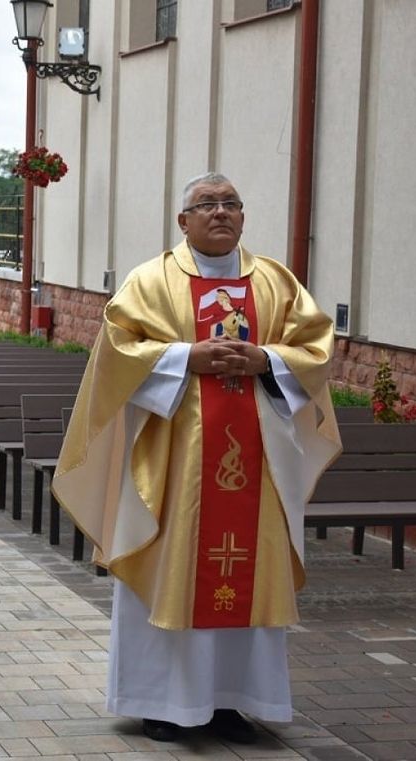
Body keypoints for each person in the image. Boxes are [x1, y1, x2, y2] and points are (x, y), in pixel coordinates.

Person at [52, 172, 341, 744]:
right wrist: (187, 357)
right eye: (205, 205)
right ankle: (164, 702)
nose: (220, 213)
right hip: (174, 466)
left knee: (246, 569)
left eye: (230, 203)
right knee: (171, 572)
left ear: (243, 216)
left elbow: (316, 348)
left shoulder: (276, 283)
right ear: (182, 221)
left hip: (255, 469)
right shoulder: (151, 281)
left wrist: (265, 359)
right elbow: (117, 350)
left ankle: (233, 701)